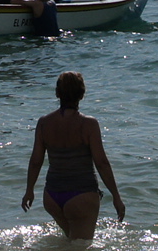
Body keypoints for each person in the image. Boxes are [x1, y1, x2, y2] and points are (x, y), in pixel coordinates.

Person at [22, 72, 127, 240]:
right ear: (82, 94)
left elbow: (36, 161)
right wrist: (116, 196)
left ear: (57, 93)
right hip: (81, 195)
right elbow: (101, 162)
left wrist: (29, 191)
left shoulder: (44, 123)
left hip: (52, 196)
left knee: (70, 242)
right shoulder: (89, 124)